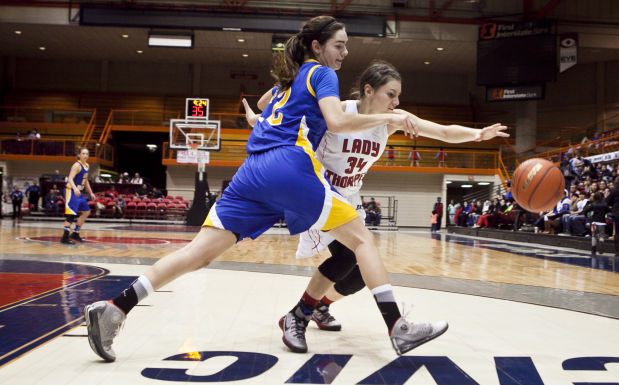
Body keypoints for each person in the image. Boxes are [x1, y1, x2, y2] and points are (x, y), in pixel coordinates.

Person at [83, 15, 441, 362]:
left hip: (252, 172)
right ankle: (398, 326)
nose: (345, 53)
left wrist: (260, 119)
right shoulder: (323, 73)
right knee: (362, 242)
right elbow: (337, 120)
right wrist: (390, 116)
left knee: (198, 254)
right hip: (289, 168)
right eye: (339, 45)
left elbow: (264, 104)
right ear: (317, 47)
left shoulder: (293, 78)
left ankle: (115, 308)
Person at [244, 61, 508, 353]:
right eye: (391, 94)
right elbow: (269, 103)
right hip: (317, 192)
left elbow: (443, 132)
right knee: (347, 256)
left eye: (398, 96)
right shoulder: (337, 110)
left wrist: (478, 135)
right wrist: (268, 107)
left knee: (358, 272)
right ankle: (298, 316)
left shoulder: (392, 119)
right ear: (368, 90)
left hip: (350, 198)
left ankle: (319, 307)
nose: (397, 102)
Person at [60, 147, 96, 244]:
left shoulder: (87, 166)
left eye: (86, 154)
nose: (85, 155)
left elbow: (85, 180)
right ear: (79, 155)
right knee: (71, 215)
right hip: (71, 191)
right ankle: (64, 238)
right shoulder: (77, 165)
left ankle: (75, 233)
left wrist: (91, 192)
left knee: (86, 212)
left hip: (79, 192)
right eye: (83, 154)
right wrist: (75, 188)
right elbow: (70, 178)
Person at [606, 175, 619, 257]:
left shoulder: (614, 190)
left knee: (618, 233)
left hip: (617, 213)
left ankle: (618, 252)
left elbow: (607, 201)